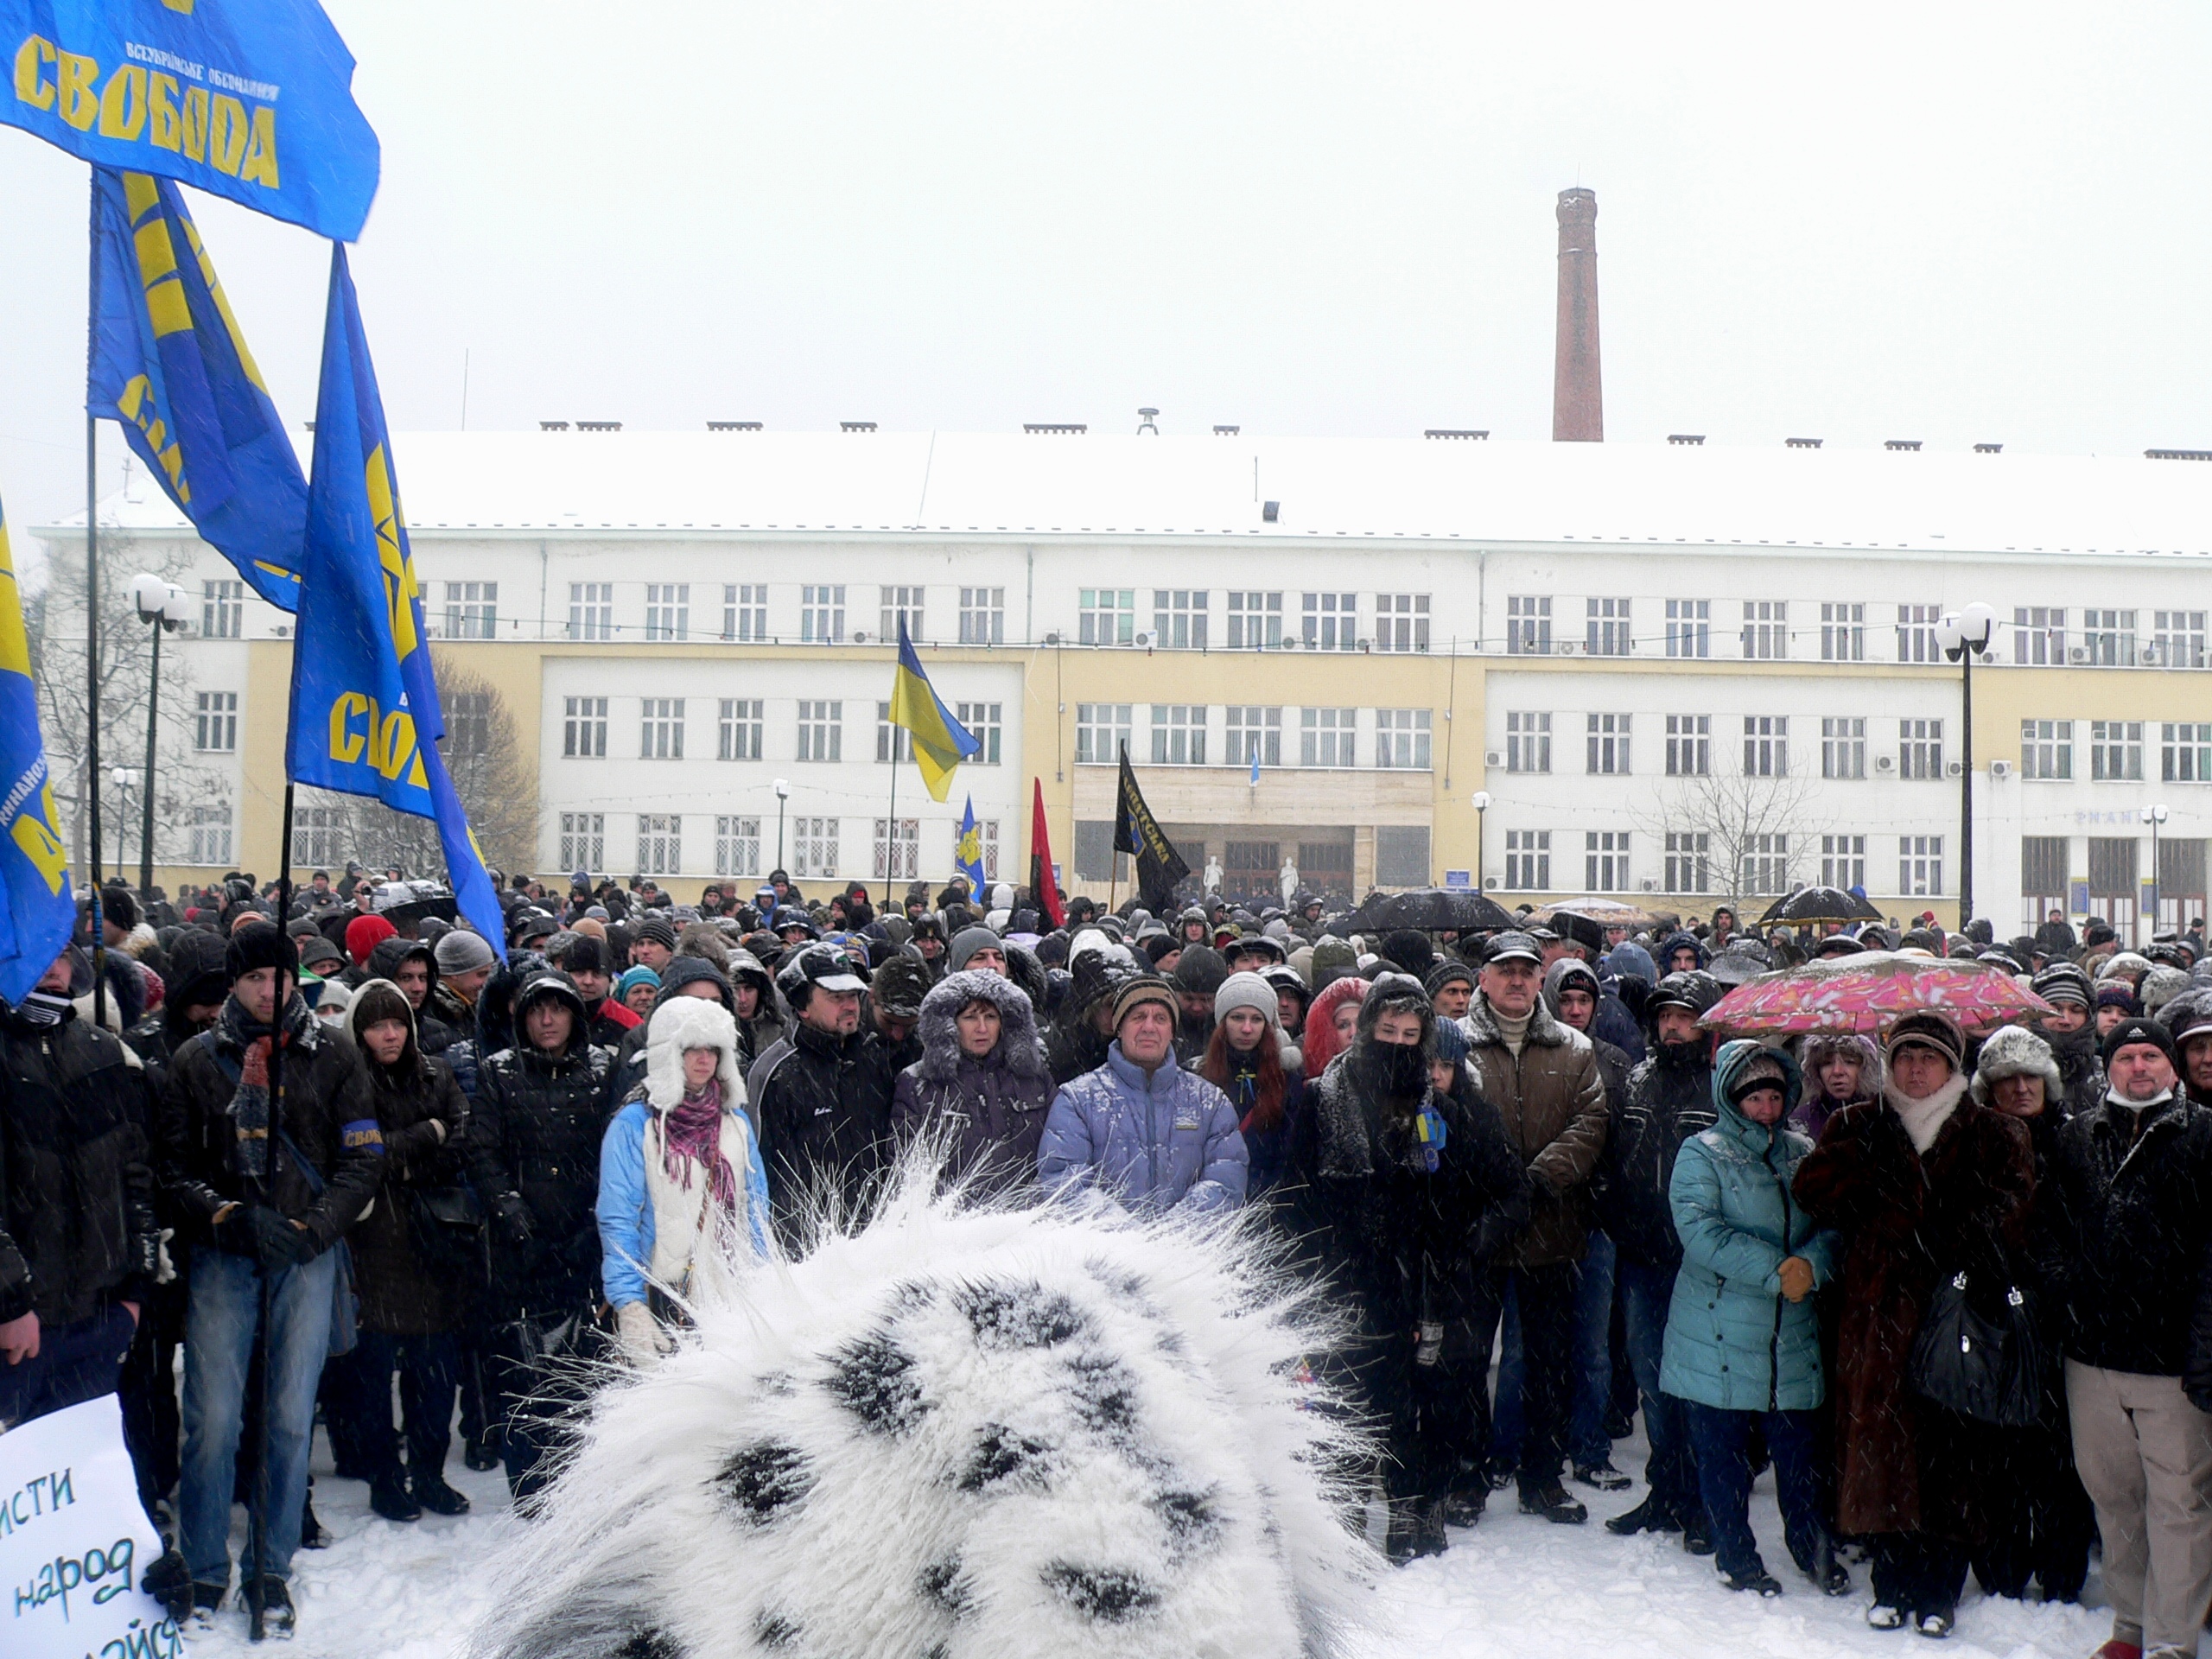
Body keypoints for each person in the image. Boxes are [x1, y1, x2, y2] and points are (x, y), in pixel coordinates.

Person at [157, 925, 381, 1632]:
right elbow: (172, 1170)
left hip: (306, 1255)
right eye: (254, 979)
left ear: (295, 982)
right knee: (214, 1420)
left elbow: (362, 1159)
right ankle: (201, 1565)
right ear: (233, 984)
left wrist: (314, 1227)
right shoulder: (196, 1060)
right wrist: (224, 1215)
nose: (267, 990)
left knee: (288, 1419)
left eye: (278, 977)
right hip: (225, 1256)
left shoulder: (335, 1054)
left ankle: (271, 1564)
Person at [1794, 1012, 2035, 1639]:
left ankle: (1940, 1589)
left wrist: (1950, 1234)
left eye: (1929, 1057)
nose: (1916, 1068)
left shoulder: (1992, 1132)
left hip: (1955, 1313)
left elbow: (2013, 1212)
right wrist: (1861, 1157)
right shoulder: (1860, 1122)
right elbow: (1814, 1193)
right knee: (1883, 1453)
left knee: (1952, 1455)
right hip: (1875, 1319)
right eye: (1904, 1057)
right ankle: (1891, 1582)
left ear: (1953, 1066)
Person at [1287, 975, 1529, 1561]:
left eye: (1410, 1033)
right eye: (1387, 1030)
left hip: (1422, 1290)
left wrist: (1469, 1243)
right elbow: (1294, 1200)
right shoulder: (1323, 1100)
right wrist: (1309, 1276)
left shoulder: (1442, 1110)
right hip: (1344, 1284)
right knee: (1346, 1410)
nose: (1397, 1042)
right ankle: (1340, 1527)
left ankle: (1413, 1509)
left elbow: (1509, 1188)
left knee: (1416, 1411)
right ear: (1367, 1028)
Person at [2037, 1017, 2212, 1659]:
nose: (2139, 1067)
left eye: (2150, 1056)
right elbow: (2049, 1227)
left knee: (2179, 1503)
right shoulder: (2078, 1138)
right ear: (2108, 1067)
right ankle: (2130, 1626)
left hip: (2170, 1362)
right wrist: (2068, 1290)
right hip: (2092, 1356)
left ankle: (2172, 1639)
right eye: (2126, 1057)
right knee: (2114, 1498)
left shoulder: (2204, 1136)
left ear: (2172, 1067)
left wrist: (2203, 1343)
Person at [1661, 1042, 1847, 1599]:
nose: (1766, 1108)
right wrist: (1775, 1269)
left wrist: (1812, 1265)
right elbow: (1701, 1232)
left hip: (1791, 1329)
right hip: (1718, 1330)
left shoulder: (1803, 1150)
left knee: (1798, 1459)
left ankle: (1811, 1548)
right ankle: (1735, 1554)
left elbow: (1835, 1222)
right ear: (1731, 1099)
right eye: (1754, 1098)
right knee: (1722, 1457)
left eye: (1774, 1096)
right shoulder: (1702, 1151)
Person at [1458, 931, 1609, 1525]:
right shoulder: (1457, 1047)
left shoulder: (1573, 1049)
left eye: (1527, 971)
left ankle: (1541, 1478)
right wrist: (1497, 1186)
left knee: (1547, 1365)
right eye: (1506, 971)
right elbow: (1447, 1120)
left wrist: (1538, 1179)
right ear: (1484, 980)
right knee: (1469, 1363)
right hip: (1480, 1232)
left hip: (1553, 1232)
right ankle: (1468, 1476)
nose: (1518, 981)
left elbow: (1592, 1120)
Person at [466, 969, 620, 1502]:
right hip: (520, 1250)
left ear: (575, 1014)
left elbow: (614, 1153)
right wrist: (513, 1215)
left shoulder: (603, 1069)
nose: (547, 1020)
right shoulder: (498, 1073)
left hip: (584, 1243)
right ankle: (530, 1491)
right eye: (536, 1010)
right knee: (521, 1374)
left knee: (584, 1373)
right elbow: (481, 1150)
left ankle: (579, 1486)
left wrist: (594, 1222)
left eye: (557, 1009)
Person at [334, 977, 473, 1523]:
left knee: (433, 1375)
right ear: (359, 1031)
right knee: (373, 1378)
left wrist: (408, 1152)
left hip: (432, 1243)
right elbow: (356, 1152)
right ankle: (385, 1479)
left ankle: (430, 1475)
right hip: (372, 1246)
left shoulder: (436, 1073)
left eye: (397, 1023)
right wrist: (425, 1134)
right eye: (376, 1025)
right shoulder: (347, 1082)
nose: (389, 1034)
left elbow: (461, 1133)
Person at [1967, 1026, 2092, 1605]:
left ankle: (2062, 1571)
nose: (2020, 1088)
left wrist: (2054, 1277)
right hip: (1990, 1318)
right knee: (1996, 1453)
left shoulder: (2075, 1142)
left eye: (2030, 1077)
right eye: (2006, 1079)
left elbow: (2087, 1225)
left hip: (2056, 1321)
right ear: (1988, 1090)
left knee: (2058, 1456)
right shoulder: (1971, 1145)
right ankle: (2001, 1567)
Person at [1599, 970, 1721, 1548]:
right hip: (1642, 1259)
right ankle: (1664, 1488)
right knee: (1653, 1382)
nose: (1674, 1027)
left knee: (1696, 1385)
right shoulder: (1639, 1079)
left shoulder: (1723, 1086)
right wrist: (1618, 1218)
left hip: (1699, 1266)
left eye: (1686, 1017)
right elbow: (1617, 1159)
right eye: (1667, 1016)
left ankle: (1701, 1499)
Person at [599, 997, 771, 1364]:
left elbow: (755, 1210)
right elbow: (619, 1219)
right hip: (665, 1296)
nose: (704, 1059)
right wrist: (630, 1304)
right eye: (691, 1048)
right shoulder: (634, 1125)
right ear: (668, 1054)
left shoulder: (735, 1123)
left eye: (713, 1049)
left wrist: (762, 1278)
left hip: (731, 1296)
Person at [1533, 957, 1634, 1493]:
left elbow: (1623, 1143)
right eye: (1566, 1000)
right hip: (1543, 1219)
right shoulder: (1539, 1054)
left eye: (1584, 1001)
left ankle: (1590, 1448)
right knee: (1535, 1348)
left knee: (1594, 1345)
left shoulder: (1615, 1063)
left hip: (1596, 1223)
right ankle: (1524, 1447)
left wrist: (1605, 1192)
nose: (1575, 1010)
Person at [1038, 975, 1248, 1214]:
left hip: (1189, 1248)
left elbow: (1226, 1180)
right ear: (1119, 1028)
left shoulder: (1210, 1102)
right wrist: (1130, 1237)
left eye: (1160, 1018)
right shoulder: (1078, 1100)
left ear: (1172, 1031)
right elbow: (1064, 1181)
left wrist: (1173, 1232)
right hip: (1104, 1248)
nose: (1149, 1027)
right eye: (1138, 1017)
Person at [751, 944, 899, 1241]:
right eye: (835, 997)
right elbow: (762, 1174)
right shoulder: (775, 1073)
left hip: (879, 1237)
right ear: (803, 1006)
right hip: (812, 1247)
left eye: (853, 996)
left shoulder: (872, 1056)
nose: (849, 1006)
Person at [891, 969, 1054, 1193]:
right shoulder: (918, 1084)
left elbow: (1060, 1150)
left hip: (1035, 1217)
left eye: (990, 1017)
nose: (982, 1028)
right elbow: (907, 1167)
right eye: (970, 1018)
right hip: (955, 1223)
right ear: (948, 1025)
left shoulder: (1034, 1076)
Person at [1198, 970, 1306, 1197]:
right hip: (1212, 1202)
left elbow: (1290, 1157)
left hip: (1269, 1205)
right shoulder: (1198, 1078)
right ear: (1222, 1022)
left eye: (1256, 1019)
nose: (1247, 1029)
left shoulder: (1287, 1080)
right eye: (1237, 1017)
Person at [2033, 963, 2107, 1118]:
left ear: (2089, 1017)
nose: (2065, 1020)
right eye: (2054, 1010)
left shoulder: (2106, 1075)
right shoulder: (2018, 1073)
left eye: (2076, 1010)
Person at [1790, 1031, 1879, 1141]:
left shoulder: (1885, 1117)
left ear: (1867, 1069)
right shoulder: (1799, 1122)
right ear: (1815, 1071)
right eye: (1827, 1063)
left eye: (1849, 1062)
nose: (1837, 1071)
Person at [1170, 944, 1229, 1065]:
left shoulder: (1230, 1026)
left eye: (1205, 1000)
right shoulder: (1166, 1025)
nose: (1197, 1007)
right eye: (1189, 998)